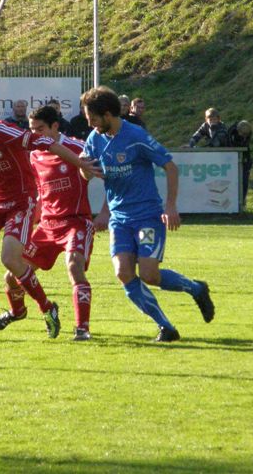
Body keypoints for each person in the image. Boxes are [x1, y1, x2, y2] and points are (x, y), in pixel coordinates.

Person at [0, 100, 102, 339]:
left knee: (11, 260)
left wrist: (81, 163)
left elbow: (48, 143)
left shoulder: (7, 132)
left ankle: (50, 310)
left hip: (22, 204)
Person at [80, 86, 214, 342]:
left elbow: (170, 167)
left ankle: (196, 288)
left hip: (147, 217)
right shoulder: (95, 139)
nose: (90, 124)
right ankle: (166, 327)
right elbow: (87, 174)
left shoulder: (136, 135)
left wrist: (170, 206)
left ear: (107, 114)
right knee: (123, 273)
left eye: (93, 118)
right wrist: (85, 170)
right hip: (119, 219)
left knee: (150, 274)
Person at [0, 105, 94, 341]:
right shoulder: (34, 154)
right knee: (11, 276)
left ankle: (82, 329)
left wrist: (106, 212)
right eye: (32, 129)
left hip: (75, 222)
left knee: (74, 267)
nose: (35, 134)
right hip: (47, 226)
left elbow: (102, 176)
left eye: (40, 129)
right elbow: (38, 192)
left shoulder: (77, 148)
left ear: (55, 126)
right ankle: (17, 312)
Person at [227, 120, 253, 206]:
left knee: (244, 180)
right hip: (231, 156)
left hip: (245, 156)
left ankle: (242, 201)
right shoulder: (231, 131)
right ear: (238, 131)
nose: (244, 136)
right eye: (242, 134)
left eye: (246, 135)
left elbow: (246, 144)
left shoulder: (248, 131)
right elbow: (229, 145)